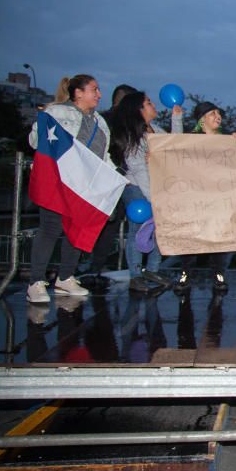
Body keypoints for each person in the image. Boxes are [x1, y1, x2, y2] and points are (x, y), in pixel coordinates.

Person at [26, 75, 112, 303]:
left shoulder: (100, 122)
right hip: (57, 181)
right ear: (78, 93)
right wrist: (42, 120)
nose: (99, 94)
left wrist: (115, 177)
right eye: (95, 89)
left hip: (83, 186)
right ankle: (35, 282)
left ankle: (65, 277)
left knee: (77, 230)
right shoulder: (56, 113)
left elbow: (103, 156)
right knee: (51, 228)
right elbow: (35, 141)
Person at [109, 91, 183, 293]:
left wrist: (176, 118)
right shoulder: (133, 135)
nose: (153, 105)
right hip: (137, 187)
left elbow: (174, 145)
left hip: (156, 187)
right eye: (149, 103)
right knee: (138, 228)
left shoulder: (156, 130)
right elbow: (139, 169)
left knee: (159, 228)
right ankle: (135, 275)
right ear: (139, 110)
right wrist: (153, 198)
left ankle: (152, 269)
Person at [83, 83, 140, 289]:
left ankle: (93, 267)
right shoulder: (106, 121)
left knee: (111, 226)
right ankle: (89, 267)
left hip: (123, 180)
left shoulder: (125, 122)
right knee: (106, 225)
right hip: (112, 180)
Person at [176, 101, 236, 292]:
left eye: (218, 113)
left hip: (218, 199)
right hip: (195, 198)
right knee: (191, 239)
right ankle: (185, 274)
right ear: (202, 120)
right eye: (212, 113)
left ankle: (219, 274)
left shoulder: (227, 140)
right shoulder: (190, 140)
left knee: (218, 239)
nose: (217, 116)